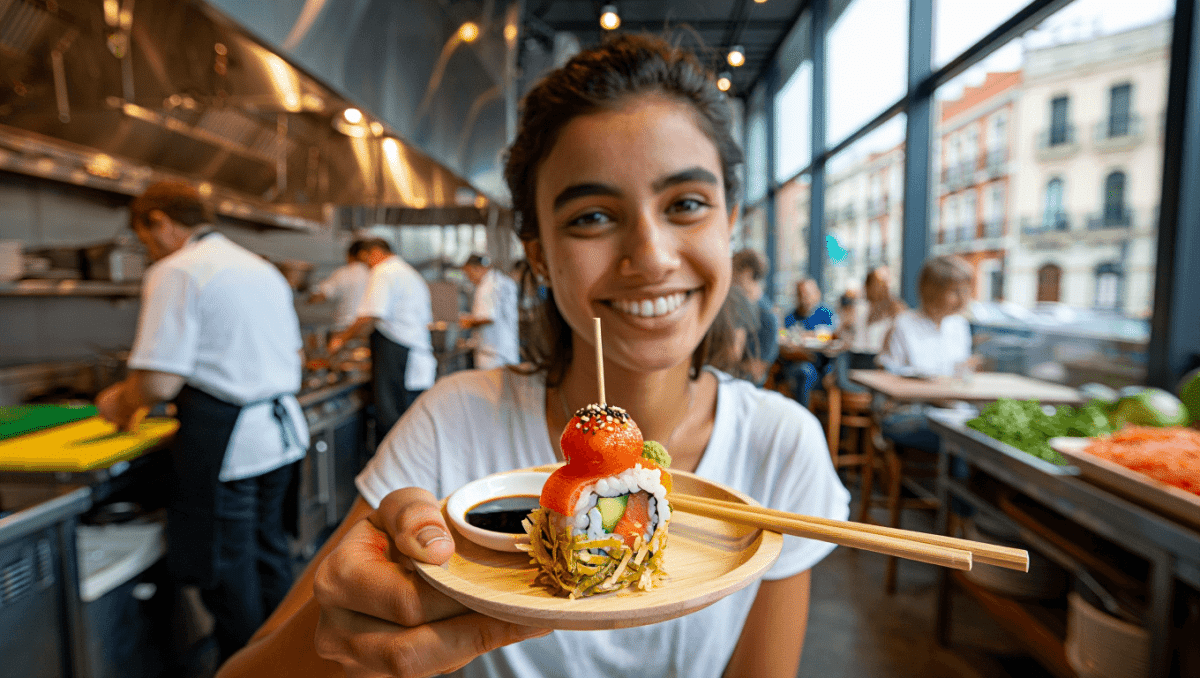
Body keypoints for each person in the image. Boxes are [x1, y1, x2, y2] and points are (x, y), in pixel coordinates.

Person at [217, 34, 849, 678]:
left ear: (730, 221)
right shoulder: (454, 422)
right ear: (539, 253)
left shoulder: (781, 444)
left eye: (686, 204)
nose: (652, 256)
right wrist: (341, 651)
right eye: (591, 217)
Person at [95, 181, 309, 665]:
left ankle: (248, 670)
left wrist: (120, 402)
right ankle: (291, 662)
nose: (150, 251)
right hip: (279, 436)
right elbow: (294, 354)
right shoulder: (260, 267)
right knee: (270, 554)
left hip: (230, 445)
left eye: (146, 239)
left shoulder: (177, 270)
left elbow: (159, 381)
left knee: (228, 571)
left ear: (159, 221)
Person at [328, 238, 437, 437]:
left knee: (394, 428)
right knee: (410, 429)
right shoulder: (407, 271)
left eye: (365, 260)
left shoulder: (384, 271)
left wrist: (340, 340)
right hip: (412, 360)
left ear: (375, 252)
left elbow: (370, 316)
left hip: (400, 360)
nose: (367, 266)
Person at [877, 255, 979, 454]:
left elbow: (958, 376)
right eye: (955, 291)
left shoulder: (959, 325)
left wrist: (966, 372)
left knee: (982, 432)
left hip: (950, 411)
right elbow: (886, 377)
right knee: (962, 437)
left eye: (966, 291)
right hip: (908, 412)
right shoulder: (904, 324)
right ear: (931, 291)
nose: (963, 299)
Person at [459, 253, 521, 369]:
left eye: (469, 273)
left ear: (476, 268)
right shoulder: (501, 280)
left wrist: (465, 321)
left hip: (493, 355)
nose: (469, 278)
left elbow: (487, 318)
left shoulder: (488, 285)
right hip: (505, 352)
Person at [731, 248, 779, 386]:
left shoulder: (767, 315)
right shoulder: (737, 306)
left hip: (743, 385)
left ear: (747, 273)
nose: (730, 275)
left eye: (734, 270)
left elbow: (757, 371)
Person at [308, 240, 370, 331]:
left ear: (350, 255)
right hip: (368, 329)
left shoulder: (344, 273)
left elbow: (318, 298)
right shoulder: (374, 273)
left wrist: (306, 287)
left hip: (344, 328)